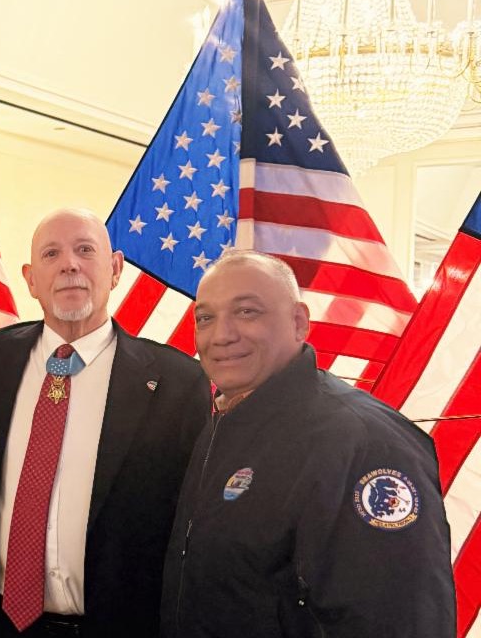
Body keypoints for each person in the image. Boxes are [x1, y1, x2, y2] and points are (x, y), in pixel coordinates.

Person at [160, 249, 455, 637]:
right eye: (205, 318)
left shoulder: (365, 442)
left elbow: (401, 621)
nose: (221, 335)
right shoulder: (223, 422)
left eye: (247, 312)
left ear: (299, 322)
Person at [0, 207, 210, 638]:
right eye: (51, 254)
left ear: (115, 269)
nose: (69, 264)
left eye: (85, 250)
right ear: (31, 279)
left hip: (122, 627)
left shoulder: (179, 383)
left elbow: (195, 523)